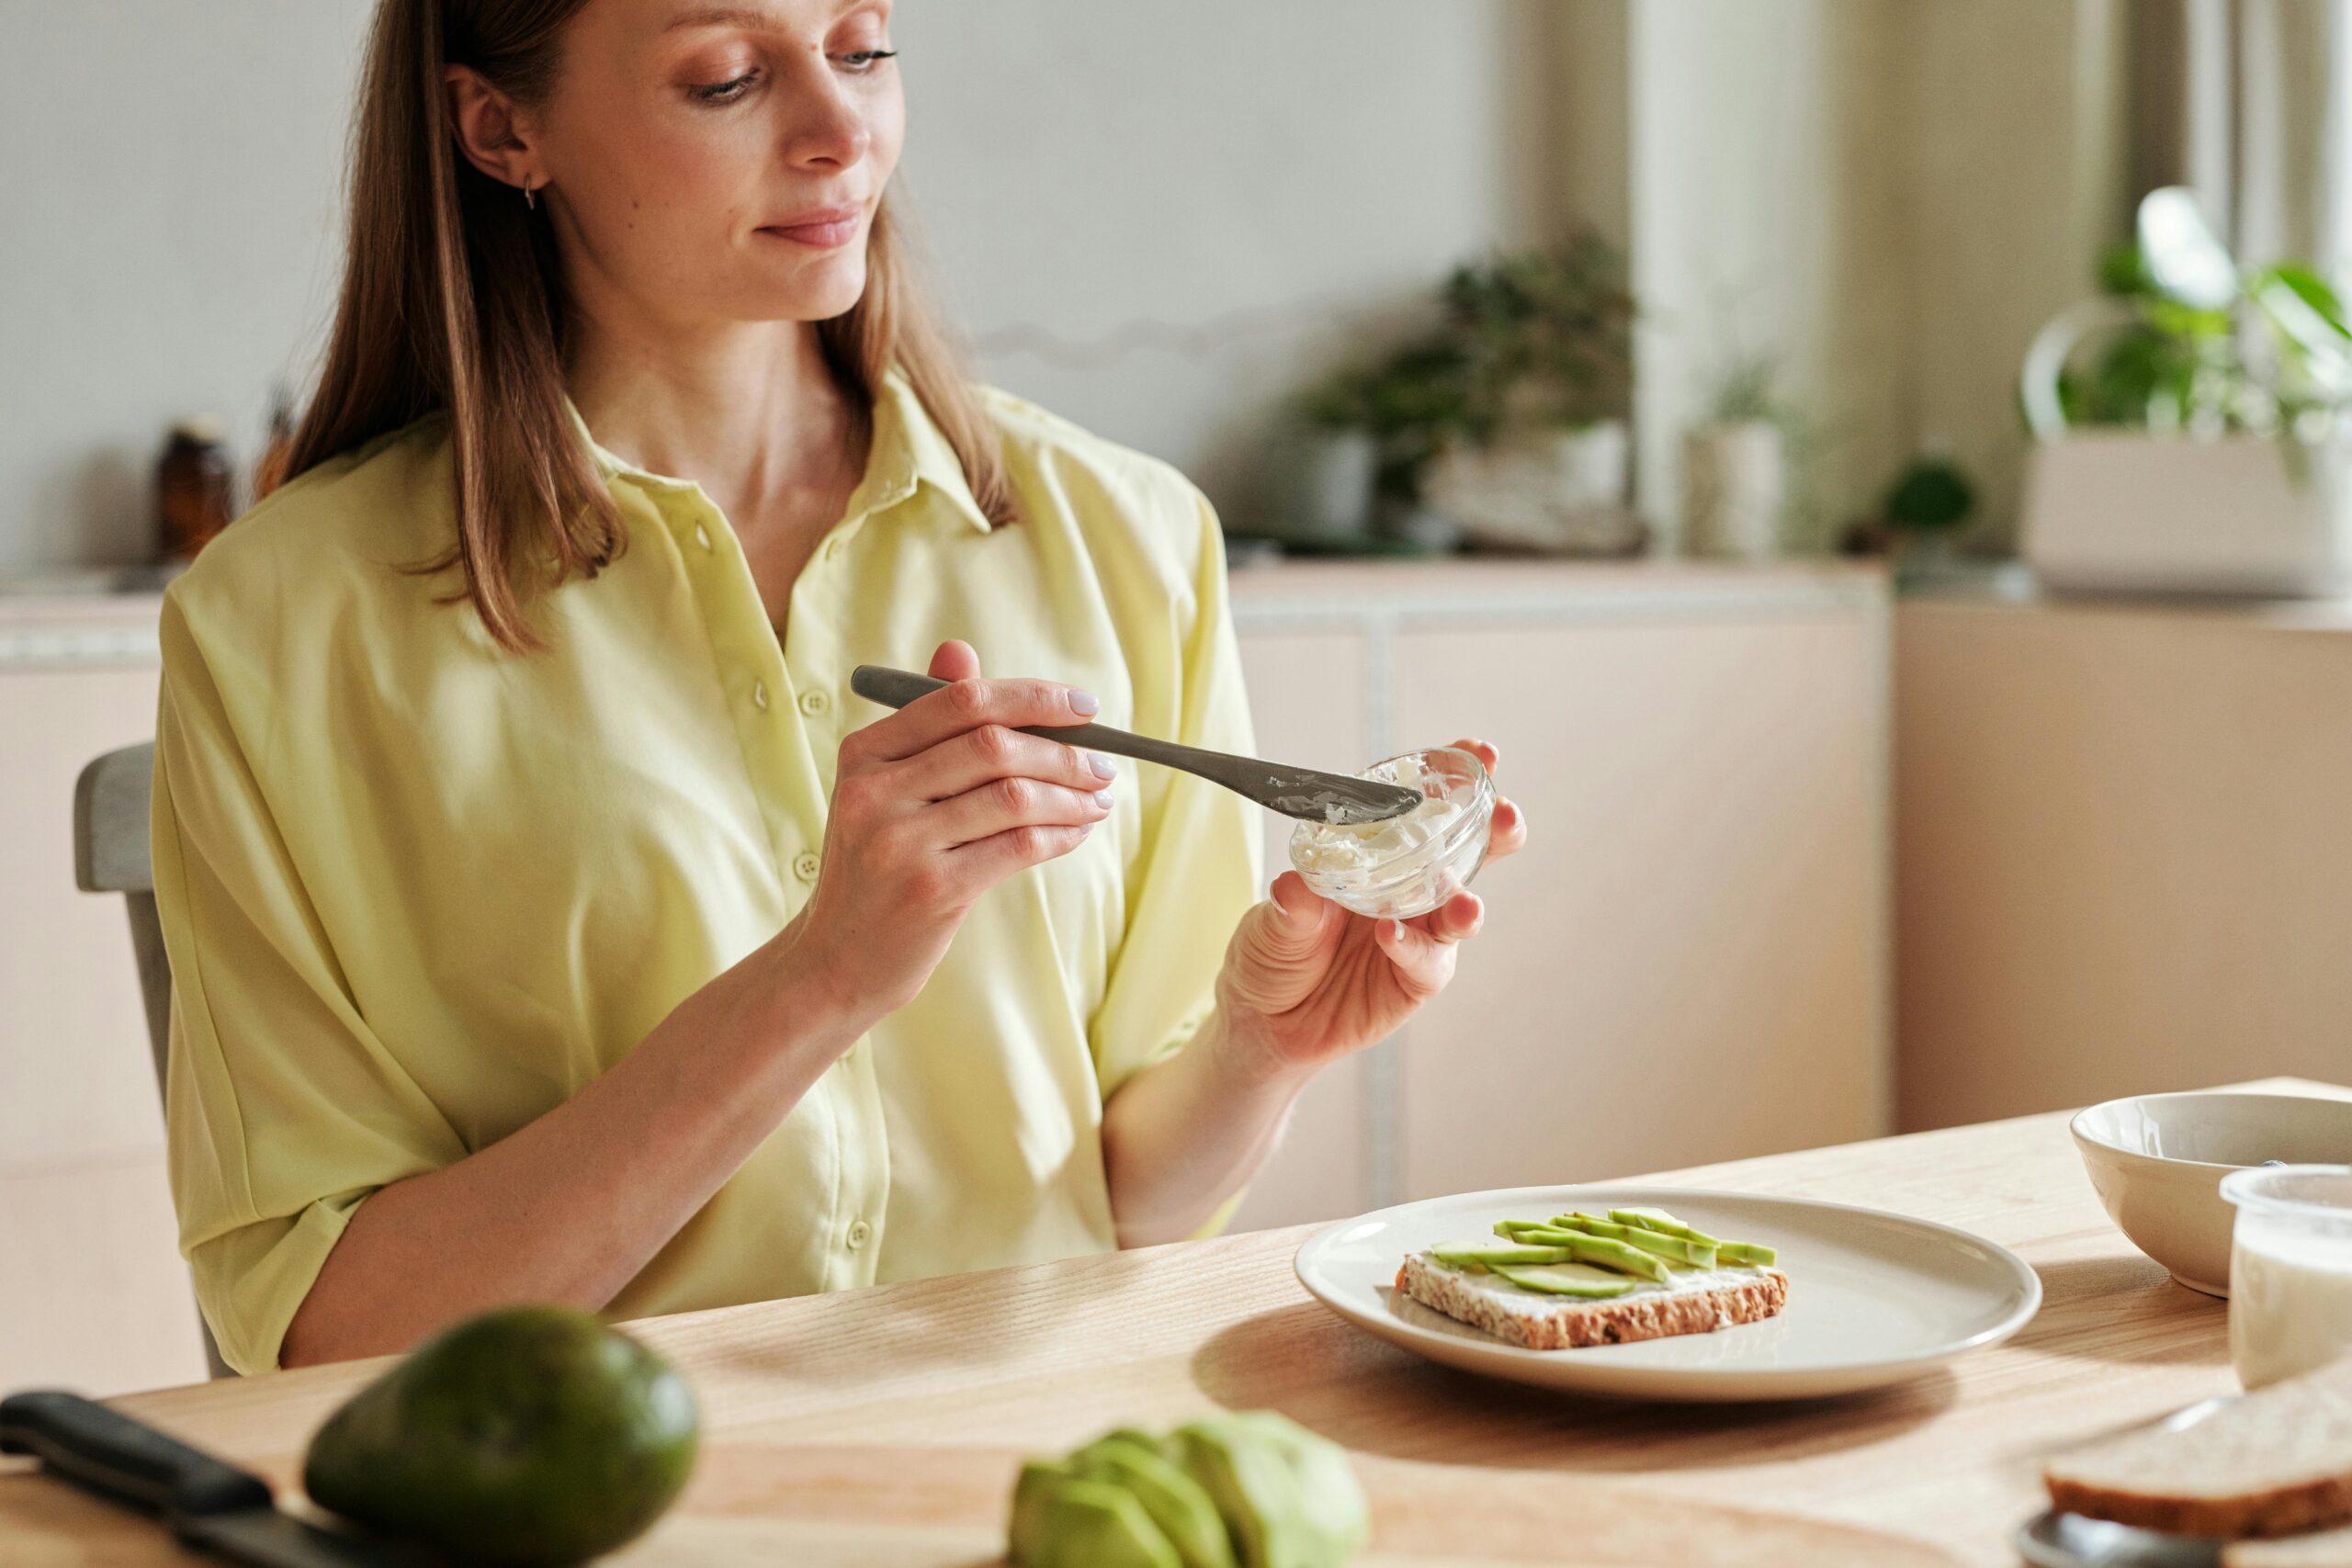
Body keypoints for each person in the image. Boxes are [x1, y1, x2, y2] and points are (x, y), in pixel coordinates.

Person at [152, 0, 1528, 1375]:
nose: (840, 131)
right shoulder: (278, 623)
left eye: (862, 48)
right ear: (503, 127)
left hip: (1037, 1465)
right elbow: (331, 1332)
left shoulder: (1130, 538)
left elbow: (1123, 1212)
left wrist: (1260, 1050)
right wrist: (822, 979)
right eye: (729, 77)